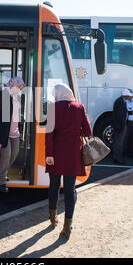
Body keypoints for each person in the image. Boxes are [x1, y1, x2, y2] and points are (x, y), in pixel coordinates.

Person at [45, 83, 92, 240]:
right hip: (73, 153)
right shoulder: (79, 108)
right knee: (70, 189)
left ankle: (53, 218)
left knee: (54, 185)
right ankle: (67, 226)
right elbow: (88, 131)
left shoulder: (52, 108)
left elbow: (49, 133)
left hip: (56, 153)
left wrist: (49, 154)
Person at [0, 76, 25, 193]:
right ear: (13, 85)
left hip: (15, 132)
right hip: (3, 131)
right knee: (6, 156)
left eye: (21, 88)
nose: (20, 89)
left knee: (14, 154)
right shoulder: (2, 95)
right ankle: (1, 181)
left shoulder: (17, 98)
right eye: (19, 87)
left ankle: (0, 172)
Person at [112, 89, 131, 164]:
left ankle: (118, 157)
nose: (129, 96)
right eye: (128, 95)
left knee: (119, 141)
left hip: (120, 124)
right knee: (118, 142)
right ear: (125, 95)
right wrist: (122, 125)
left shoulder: (120, 100)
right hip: (120, 125)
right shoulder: (120, 102)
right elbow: (120, 115)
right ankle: (117, 158)